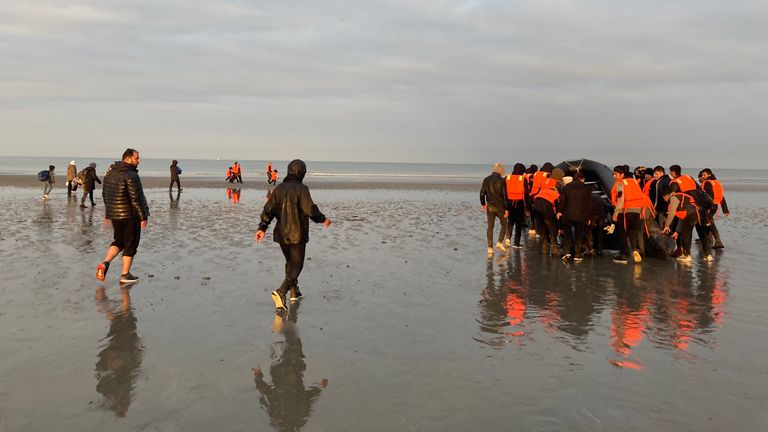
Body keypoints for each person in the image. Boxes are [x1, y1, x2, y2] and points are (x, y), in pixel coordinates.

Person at [255, 159, 331, 310]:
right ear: (300, 172)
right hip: (297, 235)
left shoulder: (279, 189)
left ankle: (294, 292)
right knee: (297, 264)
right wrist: (323, 219)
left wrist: (262, 228)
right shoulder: (302, 189)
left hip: (282, 234)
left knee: (290, 263)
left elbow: (268, 209)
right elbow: (310, 209)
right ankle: (281, 291)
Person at [96, 149, 150, 284]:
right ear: (128, 159)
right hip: (130, 215)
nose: (139, 160)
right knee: (131, 245)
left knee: (119, 241)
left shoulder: (110, 173)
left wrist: (108, 213)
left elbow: (105, 193)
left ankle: (105, 262)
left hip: (115, 214)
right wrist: (143, 216)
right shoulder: (131, 174)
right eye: (136, 158)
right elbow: (135, 198)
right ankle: (125, 275)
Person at [662, 185, 713, 263]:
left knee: (686, 234)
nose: (664, 199)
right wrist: (677, 231)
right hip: (701, 212)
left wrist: (666, 226)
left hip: (691, 214)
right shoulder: (684, 197)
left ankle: (687, 256)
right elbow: (681, 217)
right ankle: (708, 255)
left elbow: (672, 212)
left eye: (663, 197)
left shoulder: (674, 197)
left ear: (667, 195)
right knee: (702, 233)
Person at [611, 165, 651, 264]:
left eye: (616, 174)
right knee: (632, 233)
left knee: (623, 234)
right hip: (637, 212)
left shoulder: (620, 184)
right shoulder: (633, 182)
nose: (614, 176)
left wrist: (616, 213)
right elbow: (641, 195)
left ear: (622, 175)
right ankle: (634, 251)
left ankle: (623, 256)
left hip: (625, 211)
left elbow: (620, 200)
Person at [558, 172, 592, 261]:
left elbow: (563, 200)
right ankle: (577, 254)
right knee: (579, 234)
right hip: (581, 215)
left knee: (567, 234)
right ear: (582, 178)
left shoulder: (566, 187)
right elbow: (589, 204)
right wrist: (588, 217)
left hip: (568, 214)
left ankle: (567, 253)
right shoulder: (587, 188)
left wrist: (560, 211)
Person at [480, 163, 509, 256]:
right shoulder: (502, 181)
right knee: (504, 224)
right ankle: (500, 242)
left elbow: (482, 193)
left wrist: (483, 204)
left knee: (490, 227)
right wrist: (507, 209)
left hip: (490, 206)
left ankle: (490, 248)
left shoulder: (486, 179)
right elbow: (505, 196)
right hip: (500, 206)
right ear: (501, 171)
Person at [699, 168, 729, 249]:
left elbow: (709, 196)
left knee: (710, 223)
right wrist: (725, 209)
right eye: (702, 175)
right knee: (707, 222)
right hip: (715, 206)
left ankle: (718, 242)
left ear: (709, 175)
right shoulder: (716, 182)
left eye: (704, 175)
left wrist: (707, 206)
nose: (703, 176)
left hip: (709, 206)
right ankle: (708, 239)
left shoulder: (707, 183)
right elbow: (721, 196)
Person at [532, 174, 560, 256]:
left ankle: (544, 247)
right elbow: (557, 208)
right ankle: (554, 248)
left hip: (536, 207)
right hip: (546, 208)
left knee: (542, 227)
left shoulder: (542, 191)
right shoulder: (556, 195)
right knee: (551, 227)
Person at [504, 163, 529, 249]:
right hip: (519, 203)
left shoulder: (507, 178)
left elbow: (502, 191)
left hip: (508, 202)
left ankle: (508, 239)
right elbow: (526, 193)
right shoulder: (523, 179)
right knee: (519, 223)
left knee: (510, 221)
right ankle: (516, 243)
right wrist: (528, 206)